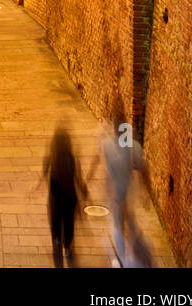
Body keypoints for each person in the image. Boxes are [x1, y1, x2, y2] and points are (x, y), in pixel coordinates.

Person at [88, 106, 147, 267]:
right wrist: (143, 193)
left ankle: (122, 258)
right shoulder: (134, 146)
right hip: (128, 191)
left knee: (118, 225)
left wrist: (89, 178)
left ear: (115, 131)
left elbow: (96, 159)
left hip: (114, 193)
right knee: (127, 219)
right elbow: (142, 169)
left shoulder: (107, 144)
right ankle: (131, 245)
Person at [40, 125, 87, 268]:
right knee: (68, 222)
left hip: (55, 194)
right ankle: (67, 247)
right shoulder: (70, 156)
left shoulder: (51, 156)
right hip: (69, 195)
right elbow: (77, 176)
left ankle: (56, 241)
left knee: (55, 220)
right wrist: (83, 189)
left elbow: (44, 172)